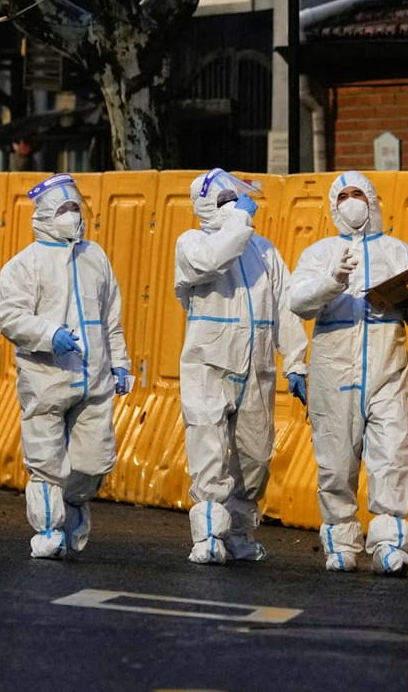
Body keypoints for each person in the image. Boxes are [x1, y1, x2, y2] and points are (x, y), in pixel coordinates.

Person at [288, 170, 408, 576]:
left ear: (373, 200)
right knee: (336, 461)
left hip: (387, 368)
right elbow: (299, 302)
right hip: (332, 370)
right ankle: (340, 539)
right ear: (333, 205)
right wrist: (333, 281)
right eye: (343, 196)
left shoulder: (398, 251)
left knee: (393, 453)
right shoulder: (320, 253)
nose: (352, 202)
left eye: (358, 194)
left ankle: (390, 543)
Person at [175, 168, 309, 564]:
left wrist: (296, 361)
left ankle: (238, 533)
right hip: (209, 365)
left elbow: (285, 307)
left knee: (255, 457)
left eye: (236, 200)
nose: (233, 208)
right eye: (223, 202)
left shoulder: (264, 251)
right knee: (210, 452)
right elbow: (214, 260)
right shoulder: (193, 243)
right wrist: (239, 220)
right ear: (203, 207)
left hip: (256, 369)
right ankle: (208, 536)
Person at [0, 173, 132, 559]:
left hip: (95, 379)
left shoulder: (95, 257)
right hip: (46, 379)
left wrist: (119, 362)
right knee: (46, 463)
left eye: (76, 208)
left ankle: (70, 510)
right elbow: (10, 317)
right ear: (44, 216)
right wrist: (48, 333)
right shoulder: (24, 266)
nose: (72, 216)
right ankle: (49, 529)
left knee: (95, 462)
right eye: (64, 210)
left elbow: (111, 318)